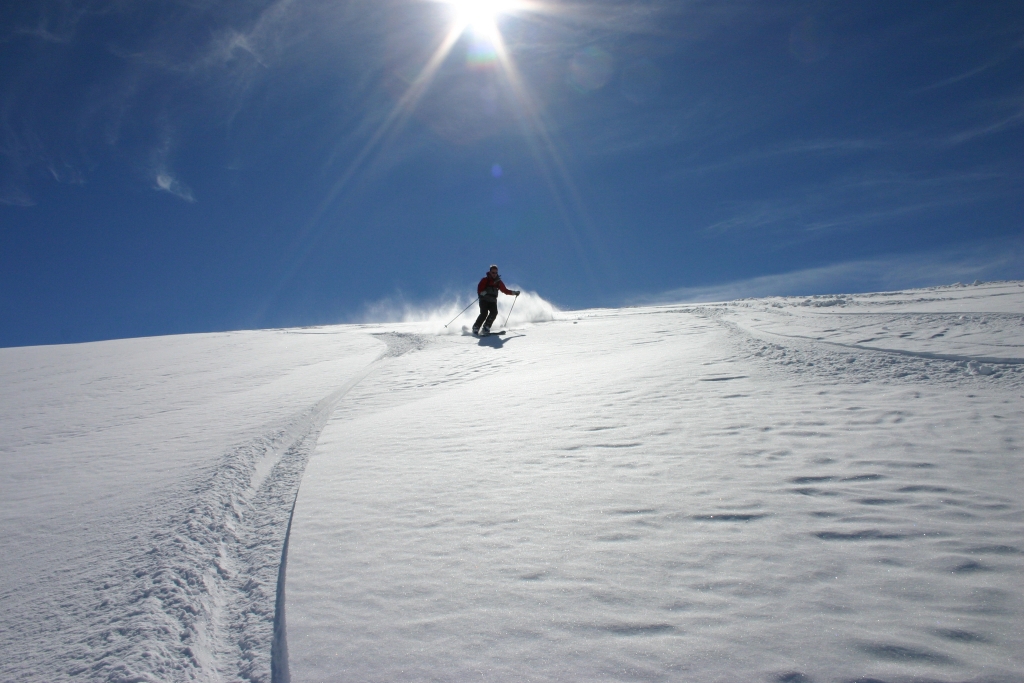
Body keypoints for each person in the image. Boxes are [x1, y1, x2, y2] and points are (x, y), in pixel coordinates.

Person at [473, 264, 519, 335]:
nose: (494, 274)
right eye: (493, 272)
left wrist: (514, 293)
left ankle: (486, 327)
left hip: (492, 301)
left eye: (496, 273)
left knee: (494, 313)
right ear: (490, 272)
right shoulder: (485, 280)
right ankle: (476, 327)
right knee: (484, 313)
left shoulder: (498, 282)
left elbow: (505, 291)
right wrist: (481, 293)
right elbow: (479, 289)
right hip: (484, 299)